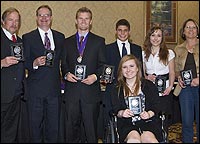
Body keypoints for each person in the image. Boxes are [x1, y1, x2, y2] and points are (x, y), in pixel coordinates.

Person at [61, 7, 106, 143]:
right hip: (72, 94)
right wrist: (66, 74)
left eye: (86, 18)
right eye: (81, 18)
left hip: (90, 94)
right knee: (71, 131)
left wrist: (96, 77)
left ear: (91, 22)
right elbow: (63, 64)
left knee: (91, 132)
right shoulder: (66, 41)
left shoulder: (99, 41)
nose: (83, 21)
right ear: (76, 21)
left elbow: (103, 65)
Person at [22, 5, 65, 142]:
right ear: (36, 18)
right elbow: (24, 62)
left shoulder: (60, 37)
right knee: (35, 127)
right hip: (35, 91)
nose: (44, 18)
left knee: (53, 128)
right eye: (41, 15)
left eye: (47, 15)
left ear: (51, 18)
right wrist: (34, 63)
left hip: (54, 90)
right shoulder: (28, 37)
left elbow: (64, 61)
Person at [111, 54, 162, 143]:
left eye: (131, 66)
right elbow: (115, 109)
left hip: (148, 122)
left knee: (149, 139)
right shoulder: (116, 88)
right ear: (121, 70)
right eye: (124, 67)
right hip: (126, 124)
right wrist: (122, 112)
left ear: (137, 68)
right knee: (134, 140)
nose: (128, 70)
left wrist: (149, 114)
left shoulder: (149, 86)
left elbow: (156, 106)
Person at [103, 18, 143, 127]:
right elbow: (105, 69)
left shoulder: (137, 49)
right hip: (113, 90)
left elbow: (140, 70)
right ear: (116, 32)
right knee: (113, 121)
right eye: (120, 30)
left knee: (134, 118)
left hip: (133, 89)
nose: (122, 33)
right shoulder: (107, 48)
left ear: (129, 32)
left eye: (125, 30)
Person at [142, 26, 175, 134]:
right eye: (153, 35)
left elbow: (172, 72)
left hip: (164, 92)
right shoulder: (143, 54)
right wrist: (147, 77)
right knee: (151, 120)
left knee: (163, 121)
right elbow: (141, 74)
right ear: (149, 37)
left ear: (162, 38)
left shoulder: (169, 53)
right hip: (149, 91)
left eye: (159, 35)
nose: (156, 38)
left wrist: (170, 87)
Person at [1, 7, 25, 143]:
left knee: (10, 133)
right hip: (2, 95)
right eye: (10, 20)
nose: (14, 23)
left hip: (16, 96)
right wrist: (2, 63)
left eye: (17, 21)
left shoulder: (20, 41)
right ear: (3, 21)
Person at [173, 18, 199, 143]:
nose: (191, 30)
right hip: (185, 89)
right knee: (187, 121)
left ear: (197, 30)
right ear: (183, 32)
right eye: (188, 27)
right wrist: (179, 77)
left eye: (193, 27)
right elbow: (176, 69)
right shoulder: (178, 49)